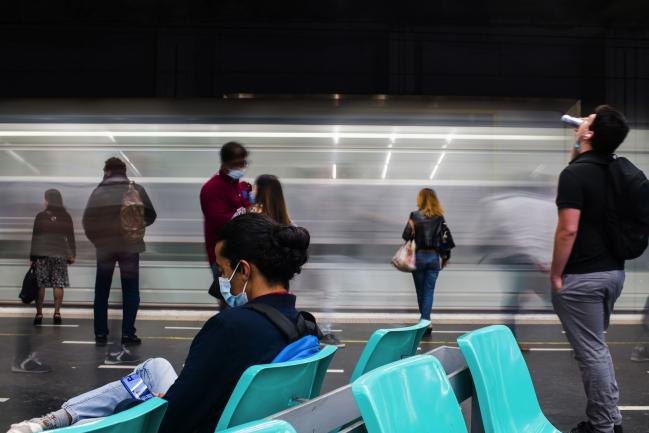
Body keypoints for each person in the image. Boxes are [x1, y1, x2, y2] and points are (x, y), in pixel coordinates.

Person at [7, 213, 312, 433]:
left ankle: (59, 425)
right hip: (245, 422)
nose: (221, 281)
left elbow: (174, 418)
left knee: (119, 409)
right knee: (154, 368)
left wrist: (130, 410)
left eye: (222, 270)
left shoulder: (230, 327)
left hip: (199, 425)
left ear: (244, 270)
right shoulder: (300, 325)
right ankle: (56, 419)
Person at [550, 105, 630, 433]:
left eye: (589, 121)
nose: (583, 122)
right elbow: (580, 166)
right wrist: (580, 143)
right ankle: (611, 418)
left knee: (591, 353)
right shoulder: (616, 170)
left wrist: (556, 273)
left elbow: (568, 229)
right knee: (597, 347)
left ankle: (602, 427)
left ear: (591, 133)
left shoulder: (575, 175)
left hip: (582, 277)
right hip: (613, 272)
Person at [250, 174, 344, 347]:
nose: (252, 191)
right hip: (282, 280)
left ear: (263, 191)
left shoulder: (253, 218)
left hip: (259, 280)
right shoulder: (288, 223)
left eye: (255, 187)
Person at [82, 157, 156, 346]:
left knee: (102, 291)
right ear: (124, 171)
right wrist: (136, 228)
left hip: (105, 248)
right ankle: (127, 334)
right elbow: (151, 215)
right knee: (130, 291)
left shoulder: (99, 191)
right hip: (130, 247)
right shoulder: (136, 189)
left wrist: (98, 241)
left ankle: (100, 333)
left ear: (107, 171)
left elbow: (87, 221)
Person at [200, 142, 252, 289]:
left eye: (244, 162)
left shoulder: (237, 185)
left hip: (239, 253)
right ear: (225, 164)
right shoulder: (212, 188)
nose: (242, 167)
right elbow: (221, 222)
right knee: (229, 300)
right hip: (223, 257)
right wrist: (246, 213)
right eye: (237, 163)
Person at [402, 188, 452, 335]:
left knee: (420, 291)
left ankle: (424, 322)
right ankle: (426, 321)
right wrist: (445, 257)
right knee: (429, 291)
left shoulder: (414, 216)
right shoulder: (439, 217)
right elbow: (446, 240)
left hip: (418, 257)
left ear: (420, 199)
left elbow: (406, 235)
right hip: (433, 257)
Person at [29, 189, 75, 325]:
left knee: (41, 284)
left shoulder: (40, 216)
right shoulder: (66, 216)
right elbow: (70, 237)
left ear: (47, 200)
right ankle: (57, 313)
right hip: (60, 253)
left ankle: (39, 314)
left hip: (42, 254)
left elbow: (35, 237)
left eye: (44, 198)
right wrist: (72, 253)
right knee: (58, 283)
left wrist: (32, 257)